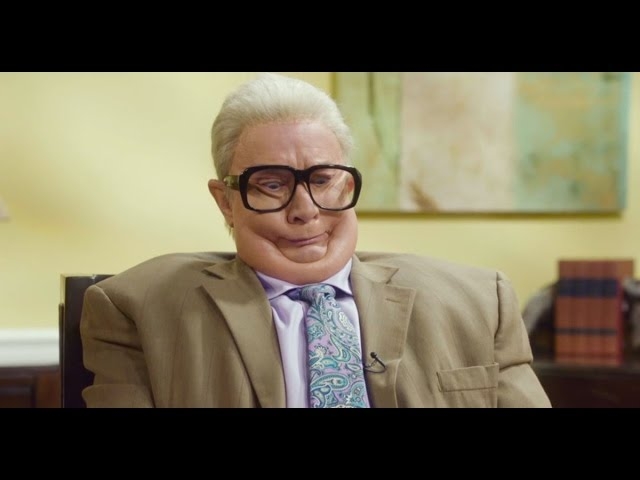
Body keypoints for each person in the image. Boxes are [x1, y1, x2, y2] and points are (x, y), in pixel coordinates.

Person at [80, 72, 552, 408]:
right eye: (272, 183)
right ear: (226, 202)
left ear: (347, 185)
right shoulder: (136, 308)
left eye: (323, 179)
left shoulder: (478, 301)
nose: (305, 209)